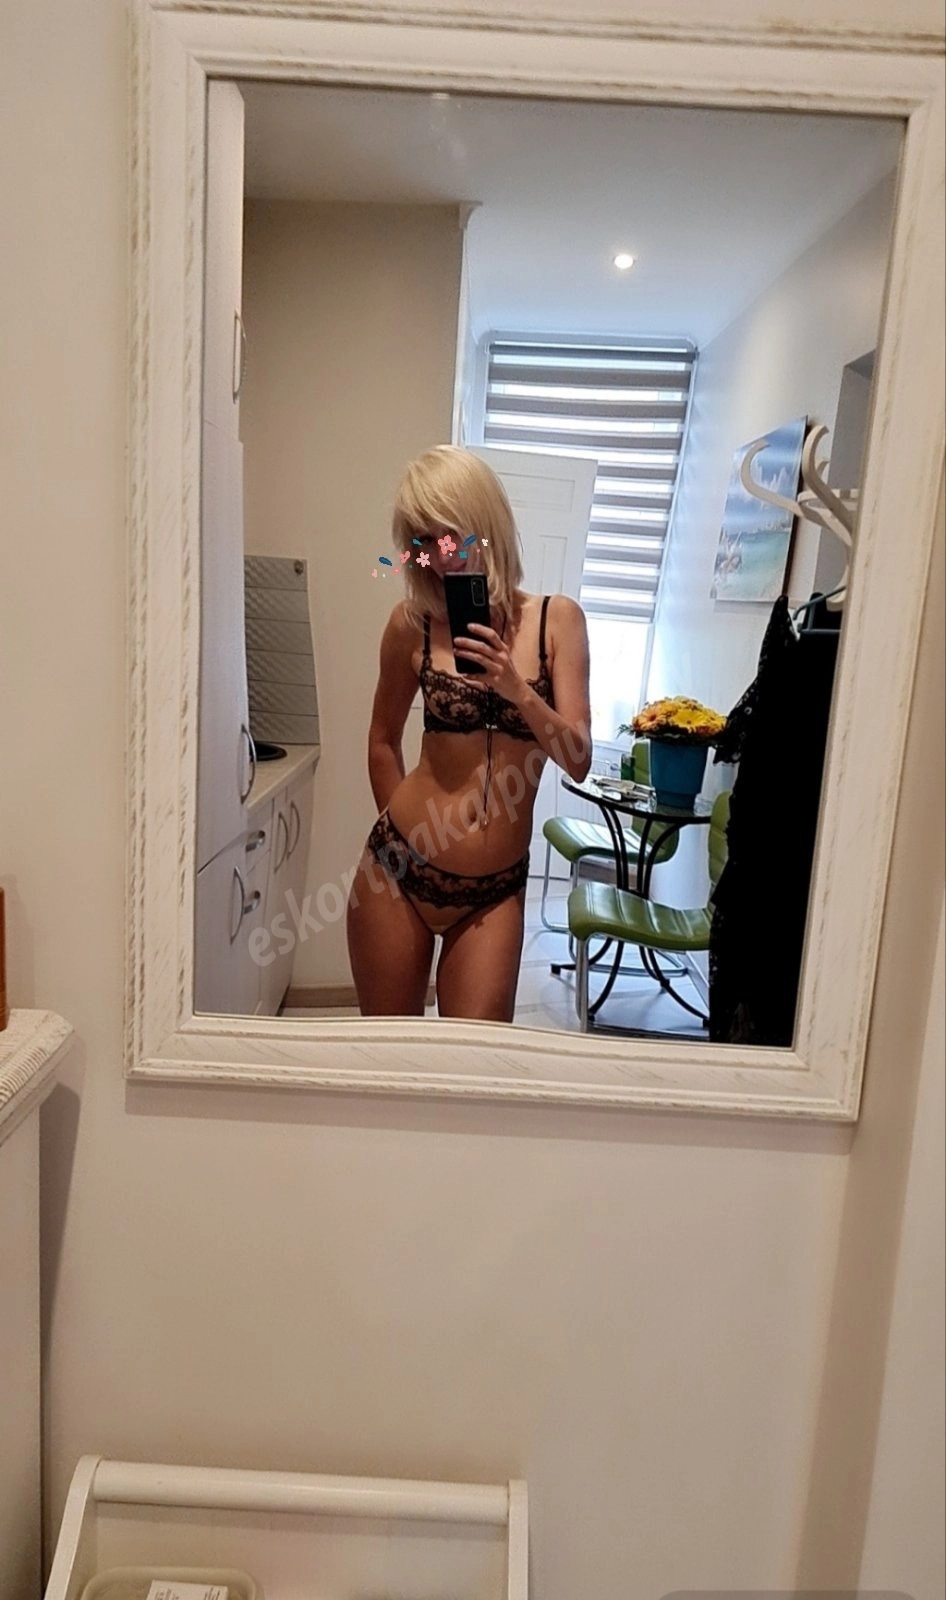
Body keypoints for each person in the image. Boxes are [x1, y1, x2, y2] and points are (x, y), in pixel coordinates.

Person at [346, 445, 592, 1022]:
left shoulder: (557, 620)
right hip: (397, 873)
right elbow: (382, 741)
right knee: (387, 1058)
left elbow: (578, 759)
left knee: (471, 1064)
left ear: (484, 524)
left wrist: (517, 688)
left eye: (449, 534)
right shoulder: (410, 625)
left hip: (494, 891)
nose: (440, 554)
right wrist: (407, 848)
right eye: (424, 541)